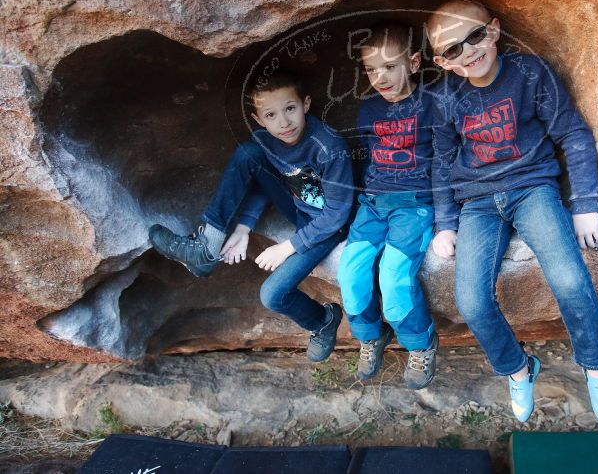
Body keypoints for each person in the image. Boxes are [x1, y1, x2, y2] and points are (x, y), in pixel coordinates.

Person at [426, 0, 598, 428]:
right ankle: (518, 369)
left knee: (569, 278)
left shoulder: (530, 73)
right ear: (443, 61)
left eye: (476, 36)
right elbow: (441, 163)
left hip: (532, 188)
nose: (469, 51)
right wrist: (444, 223)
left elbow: (572, 132)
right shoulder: (442, 99)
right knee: (471, 301)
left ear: (494, 30)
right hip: (477, 204)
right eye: (454, 49)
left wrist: (585, 203)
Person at [148, 71, 354, 363]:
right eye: (270, 114)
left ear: (306, 104)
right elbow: (263, 181)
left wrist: (287, 246)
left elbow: (336, 216)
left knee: (272, 295)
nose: (283, 122)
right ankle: (207, 244)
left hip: (327, 227)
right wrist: (244, 228)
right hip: (297, 208)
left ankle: (322, 321)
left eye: (290, 109)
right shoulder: (266, 139)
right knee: (247, 153)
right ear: (258, 119)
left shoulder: (329, 148)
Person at [337, 22, 440, 389]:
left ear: (413, 63)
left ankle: (419, 341)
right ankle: (370, 335)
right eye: (371, 69)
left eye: (389, 67)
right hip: (374, 204)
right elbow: (368, 159)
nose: (379, 77)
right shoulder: (368, 110)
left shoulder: (432, 104)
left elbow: (445, 160)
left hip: (414, 205)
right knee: (349, 272)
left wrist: (445, 219)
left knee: (394, 276)